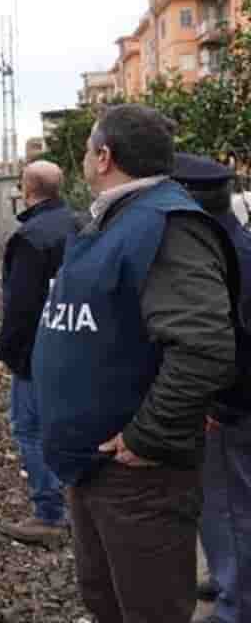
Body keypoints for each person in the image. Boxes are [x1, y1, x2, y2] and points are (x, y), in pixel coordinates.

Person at [31, 105, 239, 623]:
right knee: (108, 601)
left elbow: (203, 346)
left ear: (104, 156)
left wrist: (148, 436)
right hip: (95, 465)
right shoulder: (120, 219)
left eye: (87, 149)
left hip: (135, 474)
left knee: (149, 610)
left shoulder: (166, 226)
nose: (83, 158)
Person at [172, 152, 251, 623]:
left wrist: (218, 404)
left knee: (228, 507)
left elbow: (233, 344)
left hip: (230, 407)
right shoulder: (234, 242)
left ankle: (236, 605)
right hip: (234, 402)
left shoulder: (219, 257)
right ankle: (230, 578)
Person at [0, 160, 78, 544]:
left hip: (36, 352)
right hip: (78, 342)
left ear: (25, 190)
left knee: (28, 428)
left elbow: (22, 306)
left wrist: (3, 354)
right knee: (69, 424)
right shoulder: (81, 223)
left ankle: (50, 515)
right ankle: (79, 506)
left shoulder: (29, 237)